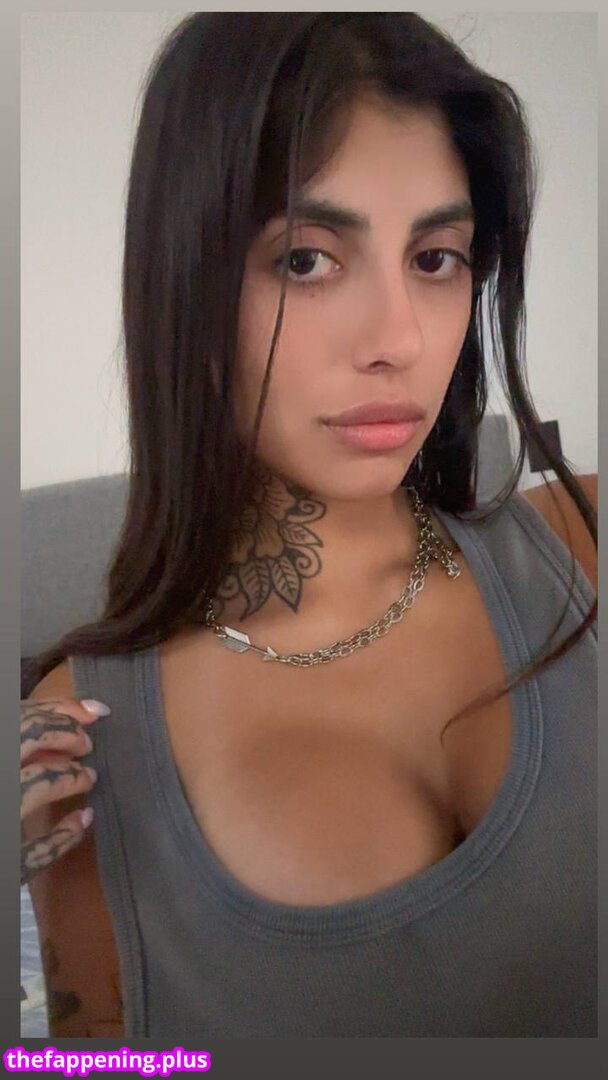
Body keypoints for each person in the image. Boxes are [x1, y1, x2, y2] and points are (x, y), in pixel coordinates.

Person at [21, 12, 597, 1039]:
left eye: (436, 257)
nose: (398, 338)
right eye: (305, 260)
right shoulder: (80, 746)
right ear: (184, 279)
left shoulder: (578, 538)